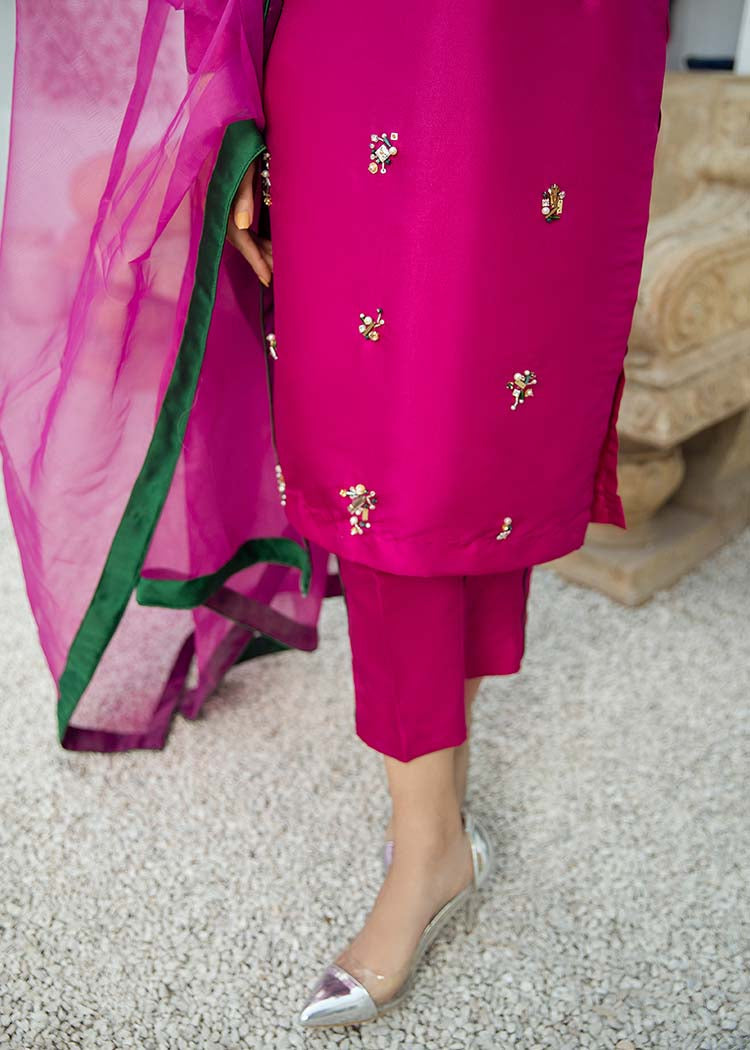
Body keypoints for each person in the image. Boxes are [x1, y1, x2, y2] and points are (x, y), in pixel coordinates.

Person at [0, 0, 669, 1028]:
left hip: (559, 36)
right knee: (387, 435)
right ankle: (428, 843)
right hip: (370, 43)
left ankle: (438, 809)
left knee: (500, 389)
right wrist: (223, 106)